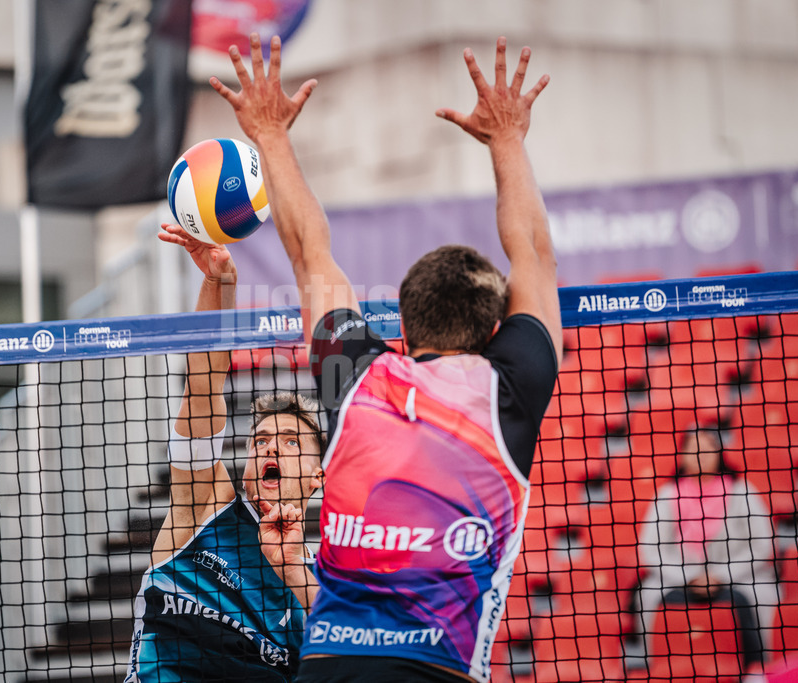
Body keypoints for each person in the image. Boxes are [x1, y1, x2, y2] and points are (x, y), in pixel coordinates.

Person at [211, 34, 561, 682]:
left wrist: (269, 133)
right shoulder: (509, 389)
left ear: (399, 324)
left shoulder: (355, 376)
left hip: (327, 667)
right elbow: (534, 253)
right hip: (434, 671)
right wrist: (508, 139)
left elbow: (308, 252)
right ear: (494, 329)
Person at [124, 227, 324, 682]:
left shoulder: (322, 584)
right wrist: (220, 285)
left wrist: (293, 567)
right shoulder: (205, 508)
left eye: (292, 442)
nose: (271, 445)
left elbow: (347, 659)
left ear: (318, 477)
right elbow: (202, 384)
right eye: (260, 440)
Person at [637, 425, 778, 670]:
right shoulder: (667, 495)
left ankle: (758, 668)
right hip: (679, 578)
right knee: (647, 595)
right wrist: (691, 577)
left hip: (738, 577)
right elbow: (650, 550)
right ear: (682, 456)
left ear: (719, 452)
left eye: (707, 449)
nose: (700, 455)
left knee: (763, 595)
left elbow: (763, 545)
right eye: (693, 449)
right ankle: (658, 666)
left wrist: (720, 575)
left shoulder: (742, 492)